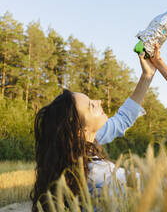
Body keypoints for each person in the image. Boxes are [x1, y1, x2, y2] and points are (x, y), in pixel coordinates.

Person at [30, 53, 156, 211]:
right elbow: (150, 185)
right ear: (79, 130)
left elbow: (123, 119)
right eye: (91, 106)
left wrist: (147, 75)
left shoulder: (80, 144)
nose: (99, 101)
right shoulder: (98, 175)